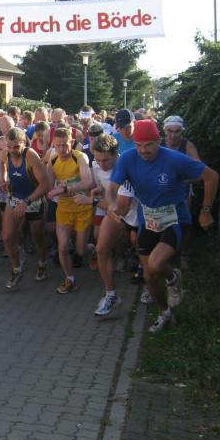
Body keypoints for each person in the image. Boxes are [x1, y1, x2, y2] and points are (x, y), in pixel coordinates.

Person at [108, 119, 218, 333]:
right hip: (147, 220)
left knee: (156, 264)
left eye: (148, 145)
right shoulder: (128, 158)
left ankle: (173, 278)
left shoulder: (175, 159)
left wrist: (205, 211)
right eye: (138, 145)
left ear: (159, 141)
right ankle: (164, 312)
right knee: (149, 276)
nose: (143, 150)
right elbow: (112, 187)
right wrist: (112, 203)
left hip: (174, 218)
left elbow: (211, 177)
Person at [73, 133, 138, 316]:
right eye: (98, 159)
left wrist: (90, 201)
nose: (101, 164)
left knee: (143, 255)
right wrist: (99, 189)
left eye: (106, 160)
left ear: (116, 154)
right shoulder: (96, 164)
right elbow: (104, 184)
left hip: (134, 213)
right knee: (101, 249)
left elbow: (120, 209)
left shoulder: (125, 169)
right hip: (115, 212)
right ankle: (111, 295)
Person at [46, 127, 94, 294]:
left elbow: (88, 182)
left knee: (80, 250)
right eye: (58, 145)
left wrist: (65, 189)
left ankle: (92, 250)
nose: (62, 149)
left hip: (83, 208)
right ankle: (69, 279)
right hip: (64, 209)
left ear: (72, 142)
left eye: (65, 145)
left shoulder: (80, 157)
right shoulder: (52, 161)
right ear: (53, 144)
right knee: (62, 247)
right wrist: (50, 192)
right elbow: (49, 187)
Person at [0, 128, 50, 289]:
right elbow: (2, 164)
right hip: (15, 198)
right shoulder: (6, 153)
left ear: (24, 143)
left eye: (16, 147)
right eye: (9, 146)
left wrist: (26, 202)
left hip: (33, 200)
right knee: (7, 237)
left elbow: (45, 185)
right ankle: (16, 269)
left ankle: (42, 263)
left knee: (37, 237)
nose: (12, 150)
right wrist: (4, 179)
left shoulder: (30, 156)